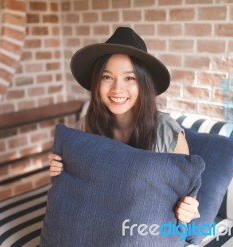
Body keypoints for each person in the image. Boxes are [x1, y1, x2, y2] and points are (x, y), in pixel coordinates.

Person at [48, 27, 199, 224]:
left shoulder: (167, 134)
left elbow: (187, 203)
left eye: (130, 78)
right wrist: (59, 172)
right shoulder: (83, 129)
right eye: (107, 77)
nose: (117, 89)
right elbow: (73, 195)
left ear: (144, 84)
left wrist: (189, 210)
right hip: (95, 224)